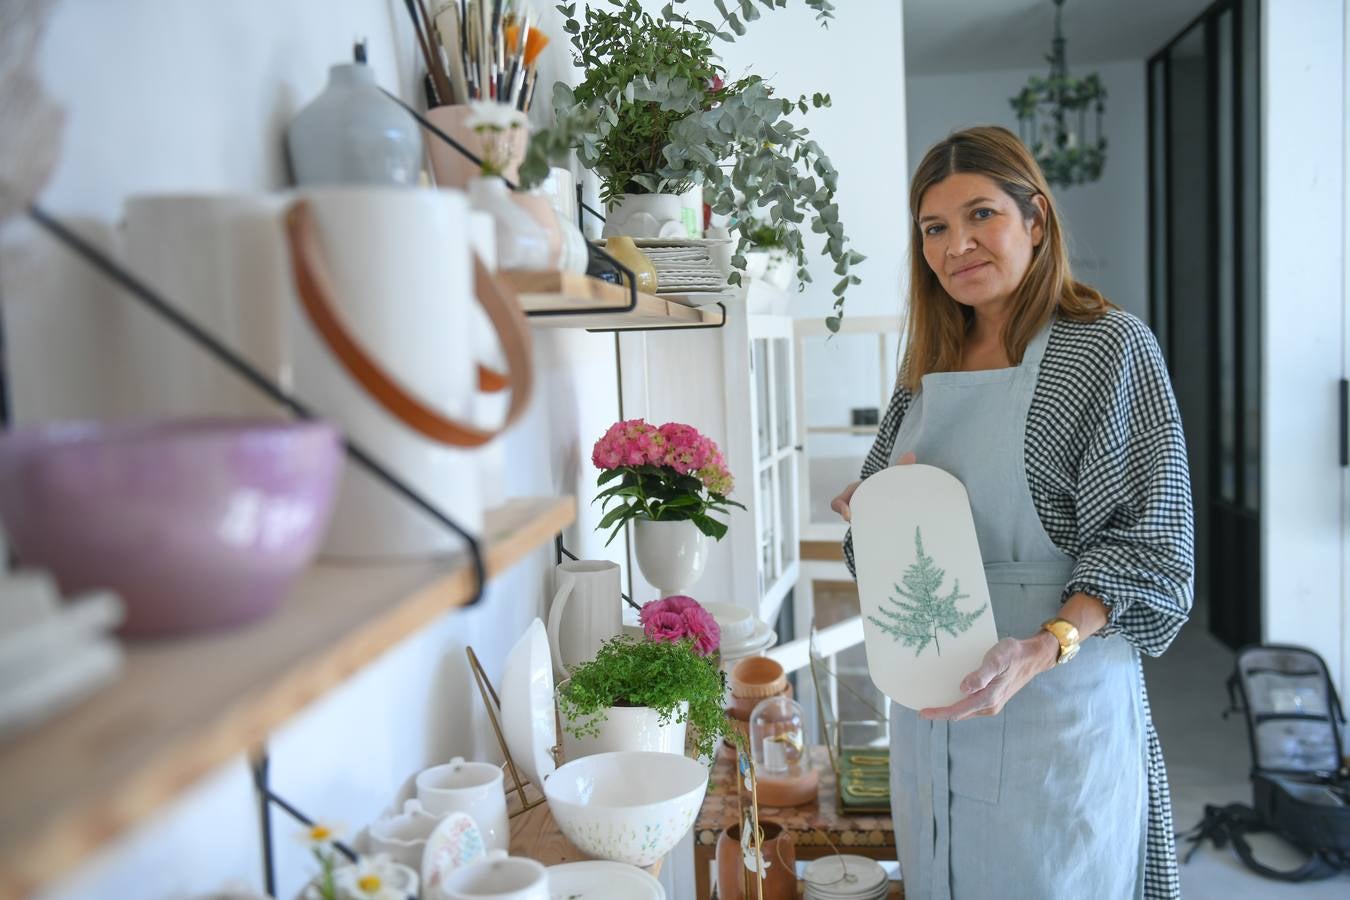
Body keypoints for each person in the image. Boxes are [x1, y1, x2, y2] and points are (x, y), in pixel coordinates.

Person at [833, 126, 1194, 899]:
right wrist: (876, 518)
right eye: (934, 228)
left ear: (1035, 220)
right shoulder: (925, 369)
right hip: (932, 717)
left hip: (1054, 708)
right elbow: (874, 548)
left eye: (980, 216)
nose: (956, 244)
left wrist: (1043, 646)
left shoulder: (1103, 348)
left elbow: (1151, 546)